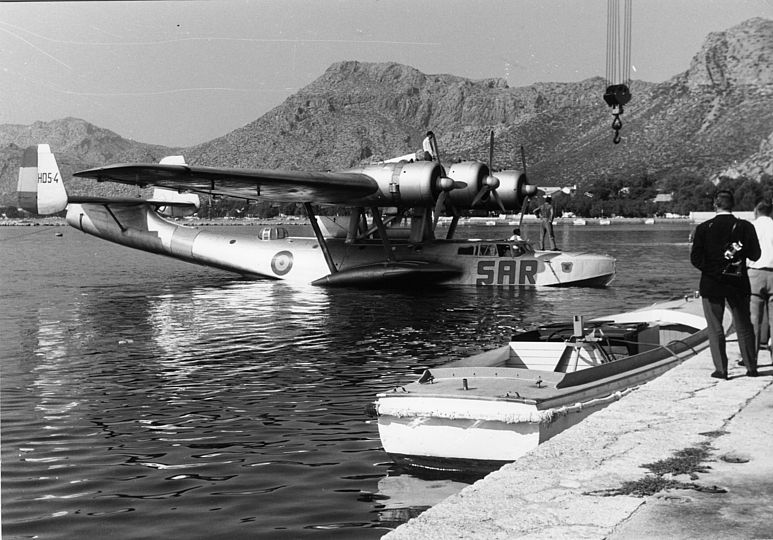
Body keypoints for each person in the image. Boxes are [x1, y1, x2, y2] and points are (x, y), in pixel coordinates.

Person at [690, 190, 761, 379]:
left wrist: (714, 270)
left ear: (715, 204)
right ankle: (751, 367)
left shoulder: (704, 228)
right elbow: (755, 255)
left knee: (715, 327)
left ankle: (721, 369)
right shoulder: (744, 226)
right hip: (738, 282)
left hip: (711, 283)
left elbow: (695, 258)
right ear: (733, 205)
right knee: (744, 325)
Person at [747, 200, 773, 360]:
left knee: (753, 320)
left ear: (756, 211)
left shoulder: (750, 227)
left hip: (755, 274)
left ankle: (752, 360)